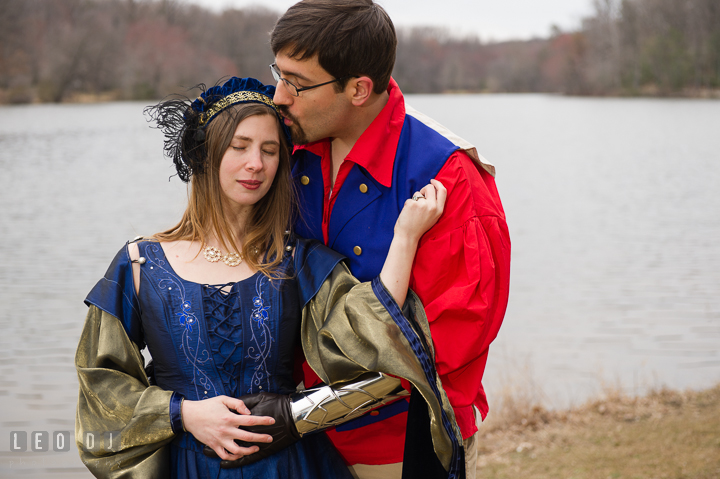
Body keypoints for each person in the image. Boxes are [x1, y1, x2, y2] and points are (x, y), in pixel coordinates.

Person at [74, 77, 451, 478]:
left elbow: (371, 334)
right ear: (205, 155)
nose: (256, 163)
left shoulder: (296, 260)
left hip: (289, 465)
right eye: (240, 147)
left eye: (269, 150)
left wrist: (405, 236)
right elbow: (100, 386)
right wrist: (183, 413)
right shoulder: (138, 264)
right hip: (188, 467)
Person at [259, 1, 512, 478]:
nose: (279, 96)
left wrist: (301, 414)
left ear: (358, 89)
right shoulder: (284, 144)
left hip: (402, 450)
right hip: (296, 450)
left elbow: (443, 352)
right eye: (278, 73)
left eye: (297, 82)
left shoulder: (448, 178)